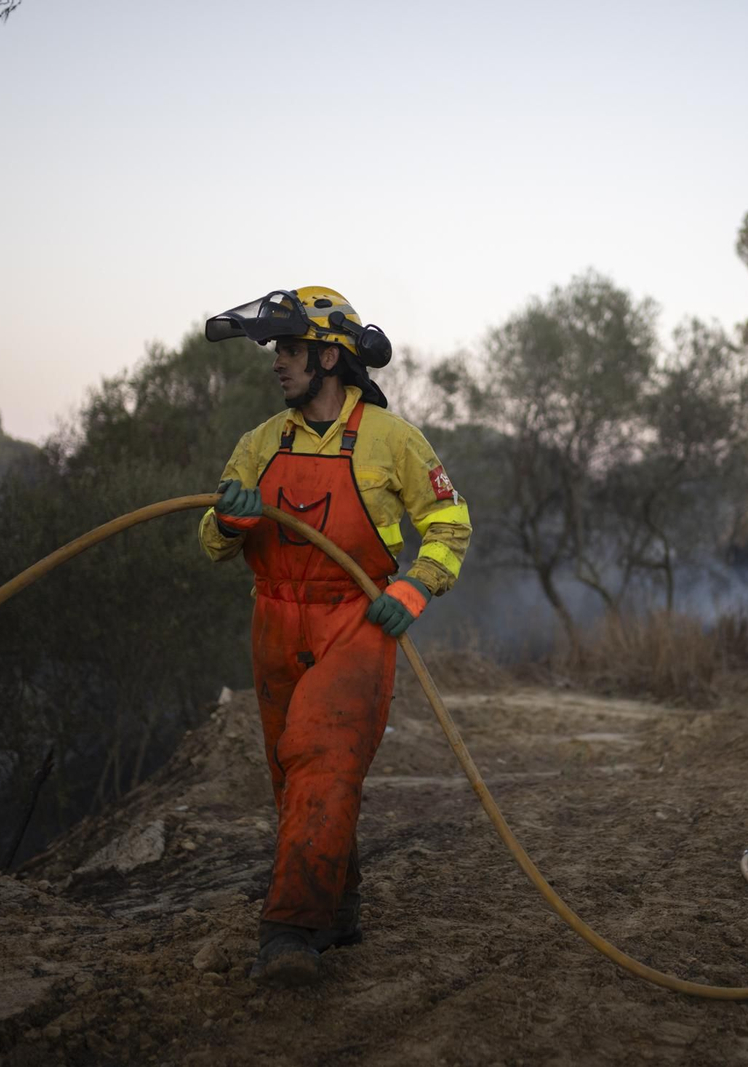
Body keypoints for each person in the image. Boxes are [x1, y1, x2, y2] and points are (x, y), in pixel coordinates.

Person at [198, 287, 471, 986]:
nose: (277, 364)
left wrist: (414, 587)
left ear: (328, 356)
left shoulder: (392, 439)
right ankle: (338, 905)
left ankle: (288, 930)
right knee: (293, 776)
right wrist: (228, 521)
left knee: (321, 759)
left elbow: (448, 521)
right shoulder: (261, 442)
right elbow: (211, 546)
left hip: (355, 618)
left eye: (288, 350)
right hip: (275, 620)